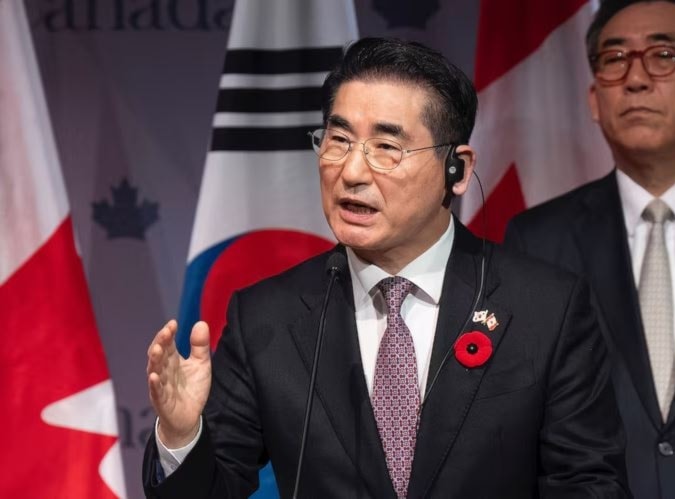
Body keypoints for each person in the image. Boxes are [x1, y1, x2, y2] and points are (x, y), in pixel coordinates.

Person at [143, 37, 629, 498]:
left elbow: (590, 482)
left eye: (387, 147)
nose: (352, 172)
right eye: (338, 140)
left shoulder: (545, 307)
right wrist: (182, 435)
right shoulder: (266, 317)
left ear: (456, 169)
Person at [504, 1, 675, 498]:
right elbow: (523, 427)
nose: (635, 79)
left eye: (664, 55)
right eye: (614, 60)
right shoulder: (537, 240)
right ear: (593, 99)